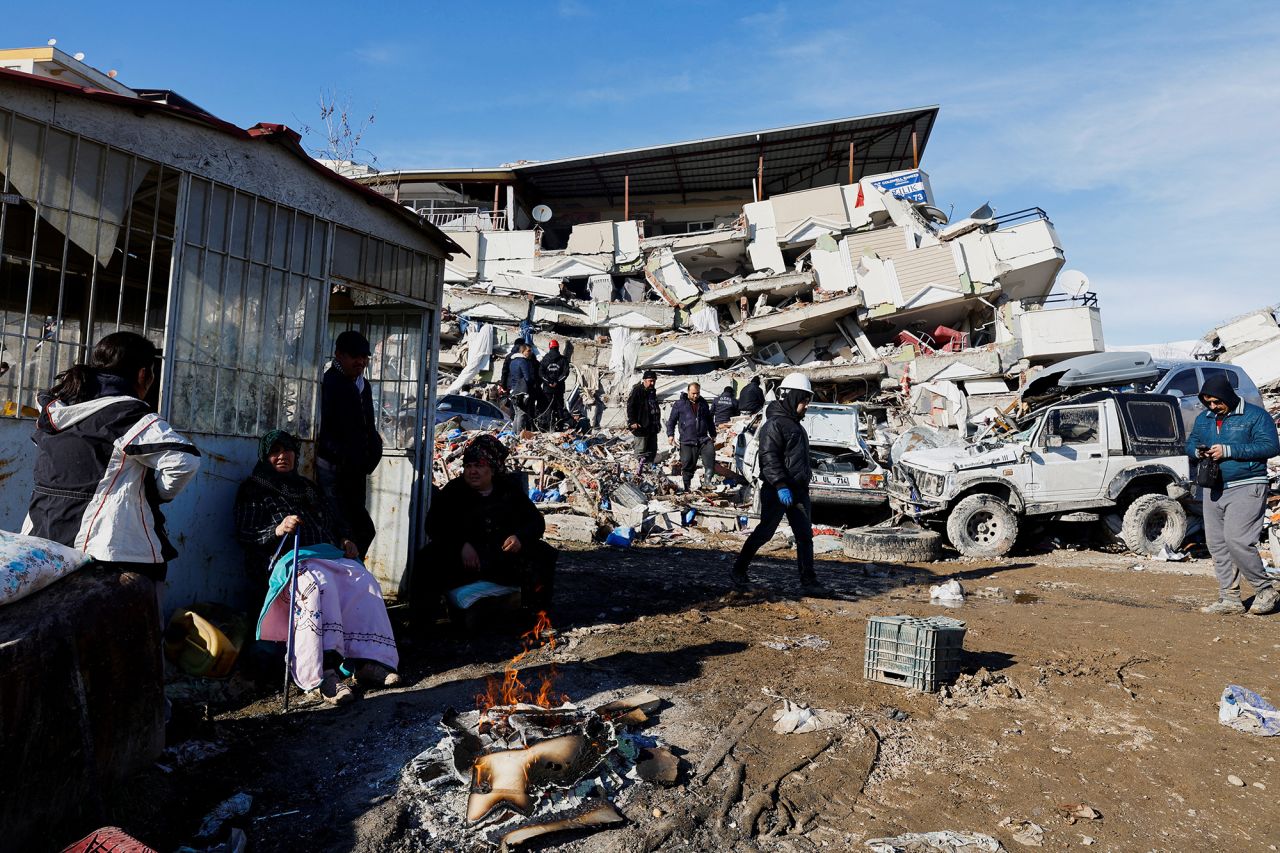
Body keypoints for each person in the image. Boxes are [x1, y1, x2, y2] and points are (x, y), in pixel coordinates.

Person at [23, 331, 201, 599]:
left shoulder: (58, 412)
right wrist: (156, 493)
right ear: (144, 374)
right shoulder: (127, 414)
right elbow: (183, 460)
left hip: (43, 544)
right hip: (111, 551)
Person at [236, 429, 400, 705]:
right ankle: (322, 674)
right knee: (318, 585)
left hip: (326, 554)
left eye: (287, 450)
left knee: (362, 579)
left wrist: (346, 538)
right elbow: (245, 532)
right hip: (287, 559)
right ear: (265, 456)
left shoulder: (307, 487)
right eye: (275, 451)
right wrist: (277, 529)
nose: (282, 456)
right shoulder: (253, 488)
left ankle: (364, 662)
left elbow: (334, 520)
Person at [423, 435, 557, 625]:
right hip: (464, 561)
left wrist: (519, 538)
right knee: (428, 558)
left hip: (500, 558)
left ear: (492, 469)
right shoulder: (454, 491)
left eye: (479, 466)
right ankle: (425, 621)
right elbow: (434, 524)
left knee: (543, 553)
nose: (472, 472)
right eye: (468, 466)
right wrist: (460, 545)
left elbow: (536, 522)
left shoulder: (508, 490)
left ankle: (537, 615)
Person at [1187, 373, 1280, 615]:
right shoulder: (1204, 418)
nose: (1213, 406)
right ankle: (1229, 598)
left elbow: (1270, 446)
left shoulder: (1255, 415)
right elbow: (1190, 442)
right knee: (1217, 544)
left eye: (1217, 401)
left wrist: (1229, 450)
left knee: (1237, 540)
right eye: (1208, 402)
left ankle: (1265, 590)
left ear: (1227, 395)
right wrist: (1198, 452)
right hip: (1213, 487)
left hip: (1248, 485)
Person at [731, 373, 830, 597]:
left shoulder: (796, 426)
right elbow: (769, 458)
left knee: (804, 536)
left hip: (798, 491)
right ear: (793, 398)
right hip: (778, 491)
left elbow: (793, 457)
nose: (806, 406)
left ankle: (809, 581)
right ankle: (738, 570)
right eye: (804, 400)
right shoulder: (775, 424)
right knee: (765, 532)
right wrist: (780, 484)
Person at [317, 330, 382, 557]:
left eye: (364, 357)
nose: (361, 362)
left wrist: (373, 451)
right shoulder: (331, 383)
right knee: (344, 531)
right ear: (339, 355)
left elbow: (368, 426)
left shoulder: (363, 386)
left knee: (360, 529)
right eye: (355, 356)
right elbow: (326, 427)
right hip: (334, 471)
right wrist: (342, 456)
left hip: (355, 471)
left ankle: (351, 578)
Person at [666, 382, 716, 491]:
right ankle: (686, 487)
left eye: (697, 393)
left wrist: (713, 434)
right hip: (687, 440)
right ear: (688, 391)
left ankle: (707, 481)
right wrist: (670, 435)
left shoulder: (703, 403)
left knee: (710, 455)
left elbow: (709, 420)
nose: (695, 396)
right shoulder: (680, 404)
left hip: (703, 438)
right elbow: (672, 421)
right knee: (688, 463)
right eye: (693, 393)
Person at [626, 370, 661, 468]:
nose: (652, 383)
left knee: (652, 451)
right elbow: (630, 406)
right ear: (644, 380)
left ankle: (649, 471)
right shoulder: (638, 390)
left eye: (654, 381)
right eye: (650, 381)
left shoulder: (652, 391)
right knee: (640, 452)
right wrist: (632, 421)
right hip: (641, 427)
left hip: (652, 428)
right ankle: (639, 472)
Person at [539, 339, 570, 430]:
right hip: (559, 389)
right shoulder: (563, 359)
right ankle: (560, 427)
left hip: (547, 389)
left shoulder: (545, 359)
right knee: (559, 407)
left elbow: (541, 373)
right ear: (557, 347)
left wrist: (548, 382)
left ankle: (549, 427)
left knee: (548, 408)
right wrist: (557, 382)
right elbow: (565, 373)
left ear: (550, 347)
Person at [506, 341, 535, 432]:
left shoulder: (513, 361)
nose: (530, 353)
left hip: (513, 390)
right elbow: (527, 377)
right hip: (521, 391)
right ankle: (519, 435)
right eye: (529, 351)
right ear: (523, 351)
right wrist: (531, 385)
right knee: (522, 413)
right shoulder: (523, 362)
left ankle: (514, 434)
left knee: (516, 414)